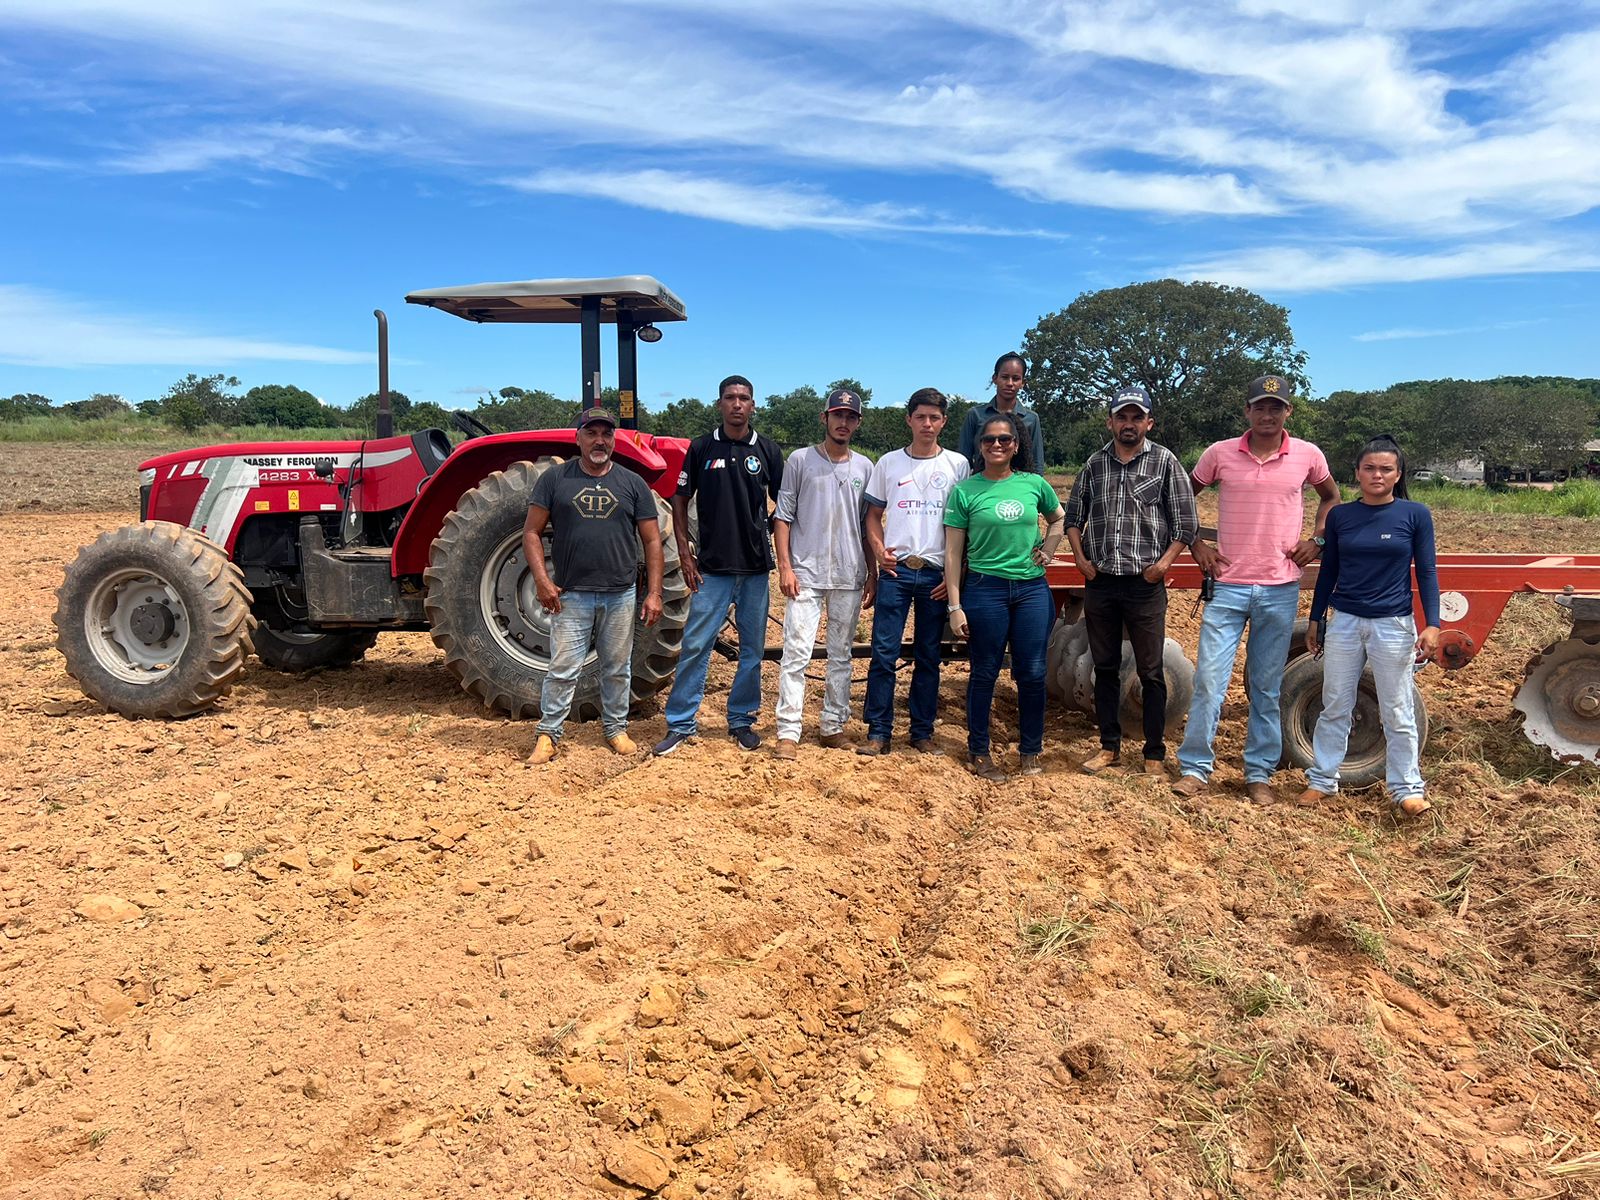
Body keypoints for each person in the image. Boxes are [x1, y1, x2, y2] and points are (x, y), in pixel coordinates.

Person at [1172, 375, 1341, 803]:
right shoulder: (1220, 454)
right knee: (1210, 680)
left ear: (1288, 412)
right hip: (1227, 585)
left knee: (1265, 686)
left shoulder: (1307, 455)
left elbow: (1331, 498)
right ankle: (1195, 768)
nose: (1268, 414)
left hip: (1280, 587)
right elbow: (1181, 497)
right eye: (1260, 407)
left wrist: (1317, 540)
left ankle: (1258, 773)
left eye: (1276, 407)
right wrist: (1196, 545)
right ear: (1247, 411)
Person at [1300, 437, 1440, 816]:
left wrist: (1433, 624)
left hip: (1393, 624)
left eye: (1386, 469)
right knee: (1335, 704)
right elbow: (1329, 571)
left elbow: (1426, 572)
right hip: (1345, 621)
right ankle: (1322, 780)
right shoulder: (1341, 516)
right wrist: (1317, 618)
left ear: (1398, 475)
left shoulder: (1414, 515)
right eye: (1369, 468)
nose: (1377, 475)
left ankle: (1406, 788)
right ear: (1357, 472)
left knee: (1397, 708)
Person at [1063, 385, 1198, 776]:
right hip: (1102, 582)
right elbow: (1073, 518)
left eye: (1136, 417)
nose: (1128, 424)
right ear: (1110, 421)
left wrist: (1162, 566)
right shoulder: (1094, 464)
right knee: (1103, 668)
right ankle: (1109, 747)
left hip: (1144, 584)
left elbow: (1185, 524)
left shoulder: (1165, 463)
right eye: (1122, 416)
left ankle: (1154, 753)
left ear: (1148, 422)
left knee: (1150, 670)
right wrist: (1080, 558)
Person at [652, 376, 785, 756]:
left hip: (756, 569)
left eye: (744, 398)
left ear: (753, 405)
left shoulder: (768, 451)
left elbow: (785, 504)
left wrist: (770, 531)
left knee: (752, 650)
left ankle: (741, 720)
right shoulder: (700, 448)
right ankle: (680, 723)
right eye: (731, 398)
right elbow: (678, 501)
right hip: (711, 569)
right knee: (696, 643)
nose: (737, 404)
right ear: (720, 403)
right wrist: (685, 553)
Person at [524, 407, 664, 764]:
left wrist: (654, 592)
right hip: (572, 594)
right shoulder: (555, 479)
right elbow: (531, 532)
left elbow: (651, 541)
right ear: (578, 438)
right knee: (563, 667)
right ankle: (549, 733)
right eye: (591, 433)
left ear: (614, 439)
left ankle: (616, 729)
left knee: (617, 667)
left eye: (606, 433)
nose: (599, 440)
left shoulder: (632, 483)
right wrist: (542, 580)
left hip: (620, 593)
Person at [944, 411, 1065, 781]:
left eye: (1004, 440)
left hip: (1031, 589)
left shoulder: (1033, 484)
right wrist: (955, 605)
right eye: (988, 440)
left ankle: (1030, 752)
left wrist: (1049, 548)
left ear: (1016, 446)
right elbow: (952, 553)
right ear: (980, 447)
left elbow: (1059, 518)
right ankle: (979, 752)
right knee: (984, 672)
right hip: (985, 590)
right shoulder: (965, 491)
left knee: (1032, 673)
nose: (996, 445)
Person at [857, 387, 971, 755]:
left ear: (944, 422)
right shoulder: (889, 463)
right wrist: (879, 552)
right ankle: (879, 731)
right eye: (920, 416)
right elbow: (872, 515)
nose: (927, 423)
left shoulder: (958, 465)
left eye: (934, 417)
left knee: (928, 656)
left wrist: (955, 579)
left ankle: (922, 732)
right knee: (884, 653)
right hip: (897, 572)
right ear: (909, 419)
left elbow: (965, 525)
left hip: (937, 575)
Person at [772, 388, 875, 759]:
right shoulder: (799, 461)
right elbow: (782, 517)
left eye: (850, 417)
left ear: (857, 422)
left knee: (841, 655)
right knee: (796, 653)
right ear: (825, 418)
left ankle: (833, 725)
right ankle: (788, 730)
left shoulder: (865, 468)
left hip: (849, 573)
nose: (843, 422)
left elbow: (869, 525)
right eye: (837, 415)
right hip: (805, 572)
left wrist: (873, 572)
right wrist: (785, 566)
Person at [959, 352, 1046, 468]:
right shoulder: (975, 415)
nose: (1010, 383)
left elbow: (1037, 462)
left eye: (1015, 378)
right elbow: (964, 458)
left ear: (1022, 383)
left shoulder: (1031, 419)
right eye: (1005, 377)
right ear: (995, 379)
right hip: (981, 482)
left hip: (1019, 483)